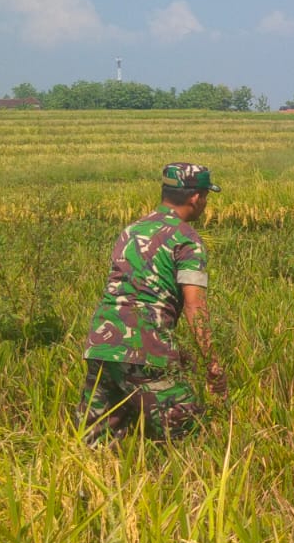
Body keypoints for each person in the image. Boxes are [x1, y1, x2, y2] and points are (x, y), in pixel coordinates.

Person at [78, 163, 227, 443]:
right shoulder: (188, 240)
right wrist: (212, 364)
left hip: (101, 343)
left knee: (97, 441)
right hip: (144, 346)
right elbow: (195, 306)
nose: (205, 203)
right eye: (206, 196)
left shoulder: (132, 230)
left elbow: (134, 293)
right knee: (190, 433)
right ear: (196, 198)